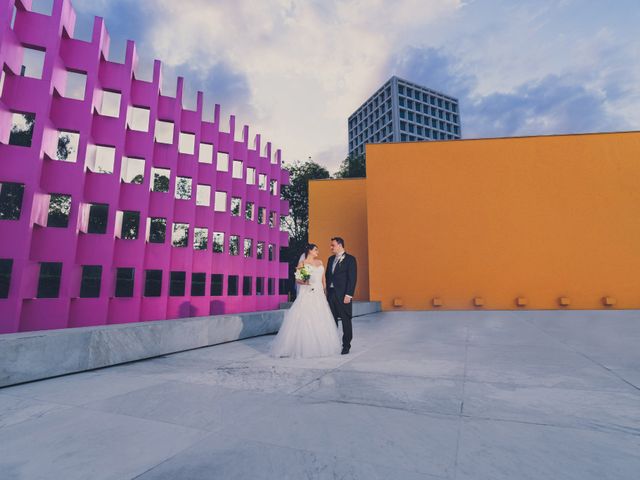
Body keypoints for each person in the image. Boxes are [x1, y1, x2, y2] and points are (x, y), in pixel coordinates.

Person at [270, 243, 341, 358]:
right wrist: (307, 282)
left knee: (320, 317)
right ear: (309, 251)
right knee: (306, 317)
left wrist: (325, 292)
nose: (318, 252)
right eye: (316, 250)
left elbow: (324, 280)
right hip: (308, 291)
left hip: (319, 293)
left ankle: (321, 345)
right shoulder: (303, 263)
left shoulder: (320, 262)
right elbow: (299, 280)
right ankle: (304, 346)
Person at [325, 237, 357, 355]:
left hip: (344, 295)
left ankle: (346, 345)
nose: (331, 247)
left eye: (333, 245)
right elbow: (328, 277)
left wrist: (349, 294)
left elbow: (352, 278)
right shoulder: (330, 259)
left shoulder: (350, 259)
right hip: (331, 294)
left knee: (346, 320)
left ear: (340, 245)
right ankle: (332, 344)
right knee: (332, 321)